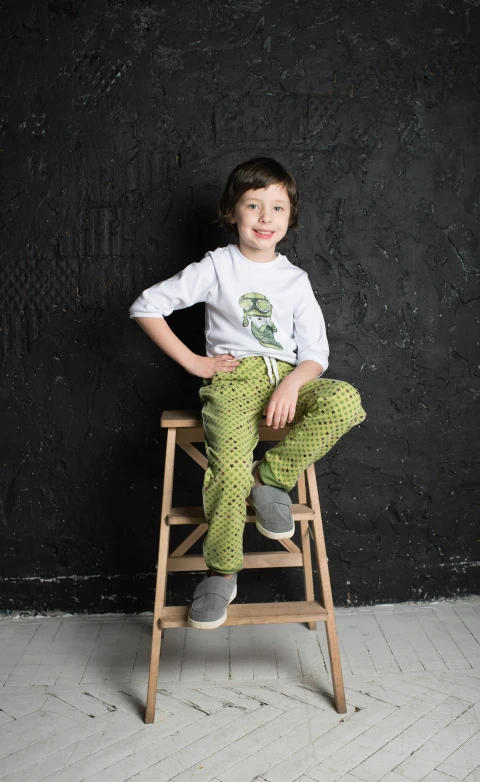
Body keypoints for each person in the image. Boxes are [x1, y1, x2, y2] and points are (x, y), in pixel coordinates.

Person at [129, 156, 367, 630]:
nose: (265, 218)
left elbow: (316, 353)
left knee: (345, 400)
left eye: (277, 208)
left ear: (289, 218)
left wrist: (294, 383)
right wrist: (197, 362)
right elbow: (147, 306)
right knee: (229, 473)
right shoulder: (219, 266)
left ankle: (273, 478)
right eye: (253, 205)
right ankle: (221, 572)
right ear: (232, 212)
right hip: (234, 381)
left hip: (289, 378)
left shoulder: (295, 280)